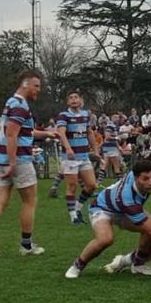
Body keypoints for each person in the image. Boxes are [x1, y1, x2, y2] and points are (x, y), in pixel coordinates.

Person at [0, 70, 57, 258]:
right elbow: (12, 134)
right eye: (36, 86)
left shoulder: (11, 102)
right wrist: (12, 162)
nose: (39, 90)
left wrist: (46, 134)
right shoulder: (21, 105)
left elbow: (20, 131)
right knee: (30, 201)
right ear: (25, 84)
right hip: (17, 160)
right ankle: (26, 245)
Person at [64, 160, 151, 279]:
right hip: (102, 208)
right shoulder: (127, 197)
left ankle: (138, 264)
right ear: (135, 178)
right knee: (105, 239)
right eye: (146, 179)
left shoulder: (148, 175)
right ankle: (77, 266)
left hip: (122, 209)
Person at [52, 91, 98, 224]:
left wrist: (95, 149)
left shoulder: (85, 115)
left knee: (91, 185)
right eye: (70, 97)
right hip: (70, 157)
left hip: (83, 156)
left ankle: (77, 209)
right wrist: (68, 148)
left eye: (76, 97)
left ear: (80, 100)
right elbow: (61, 133)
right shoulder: (63, 115)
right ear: (68, 102)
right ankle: (73, 216)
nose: (73, 99)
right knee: (72, 186)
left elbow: (89, 132)